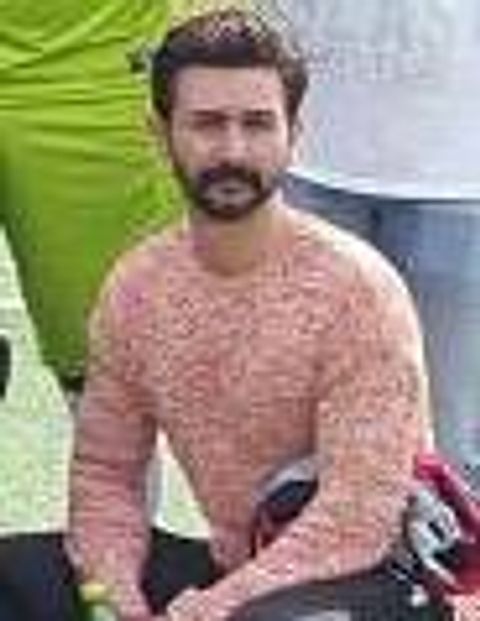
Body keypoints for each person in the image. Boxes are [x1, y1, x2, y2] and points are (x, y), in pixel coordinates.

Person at [67, 8, 449, 621]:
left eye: (257, 124)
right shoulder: (135, 290)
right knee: (15, 573)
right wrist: (115, 601)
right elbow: (106, 474)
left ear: (294, 135)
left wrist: (208, 611)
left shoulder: (357, 291)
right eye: (207, 124)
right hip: (236, 570)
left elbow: (358, 518)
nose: (233, 150)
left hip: (371, 578)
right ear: (159, 134)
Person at [256, 0, 480, 494]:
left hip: (460, 174)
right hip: (306, 156)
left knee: (451, 438)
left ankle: (449, 542)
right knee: (297, 428)